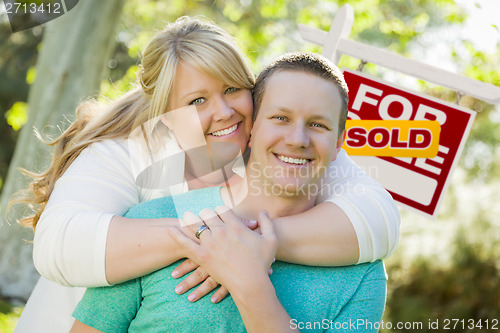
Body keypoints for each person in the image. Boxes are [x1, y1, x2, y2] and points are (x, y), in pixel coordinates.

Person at [13, 17, 398, 332]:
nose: (225, 112)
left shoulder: (279, 142)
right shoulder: (126, 154)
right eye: (197, 100)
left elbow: (377, 217)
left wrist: (246, 243)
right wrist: (205, 237)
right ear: (163, 111)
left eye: (232, 88)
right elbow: (56, 245)